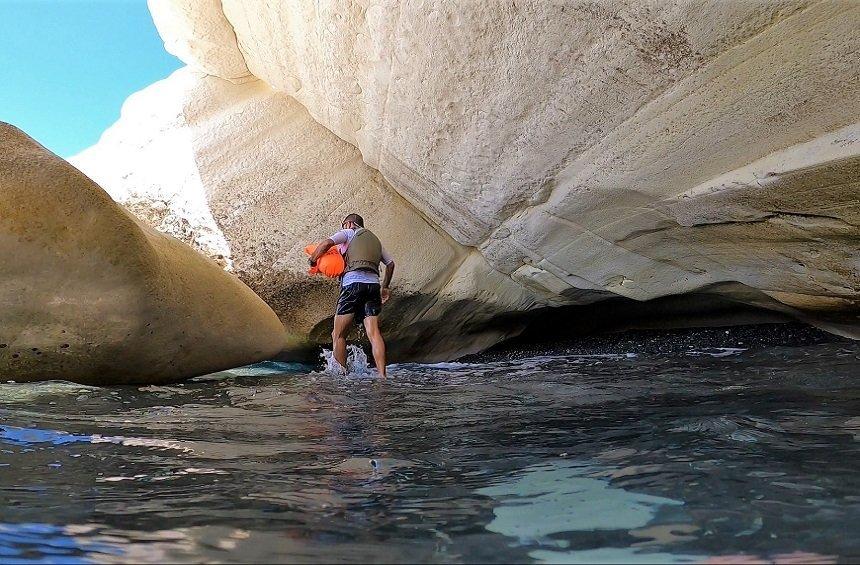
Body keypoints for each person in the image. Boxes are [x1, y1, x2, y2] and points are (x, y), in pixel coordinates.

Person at [308, 213, 395, 377]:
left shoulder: (348, 232)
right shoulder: (376, 241)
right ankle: (382, 376)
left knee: (338, 334)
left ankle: (341, 377)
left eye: (343, 225)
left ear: (348, 223)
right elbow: (390, 264)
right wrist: (385, 287)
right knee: (374, 333)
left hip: (352, 285)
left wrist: (313, 260)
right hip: (373, 286)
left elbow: (326, 244)